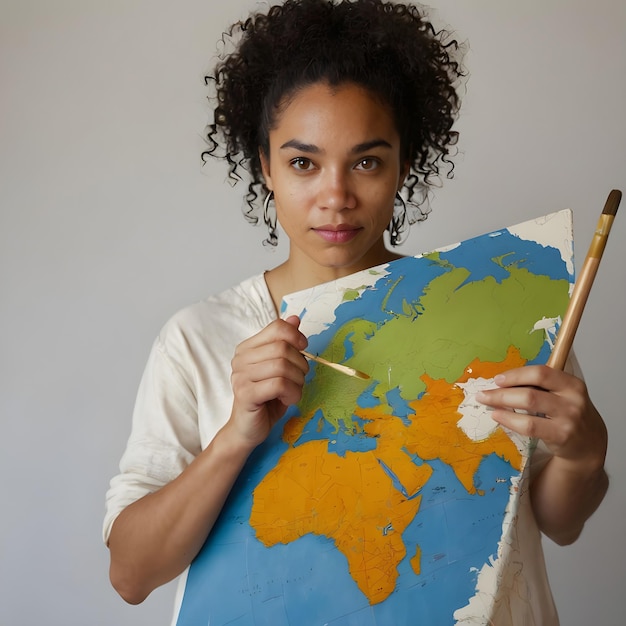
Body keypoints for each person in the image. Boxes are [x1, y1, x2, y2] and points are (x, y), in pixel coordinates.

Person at [103, 0, 609, 623]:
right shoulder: (199, 338)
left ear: (404, 164)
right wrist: (235, 436)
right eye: (303, 163)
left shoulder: (502, 309)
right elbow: (130, 575)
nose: (336, 196)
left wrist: (586, 453)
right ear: (265, 165)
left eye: (366, 161)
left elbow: (557, 522)